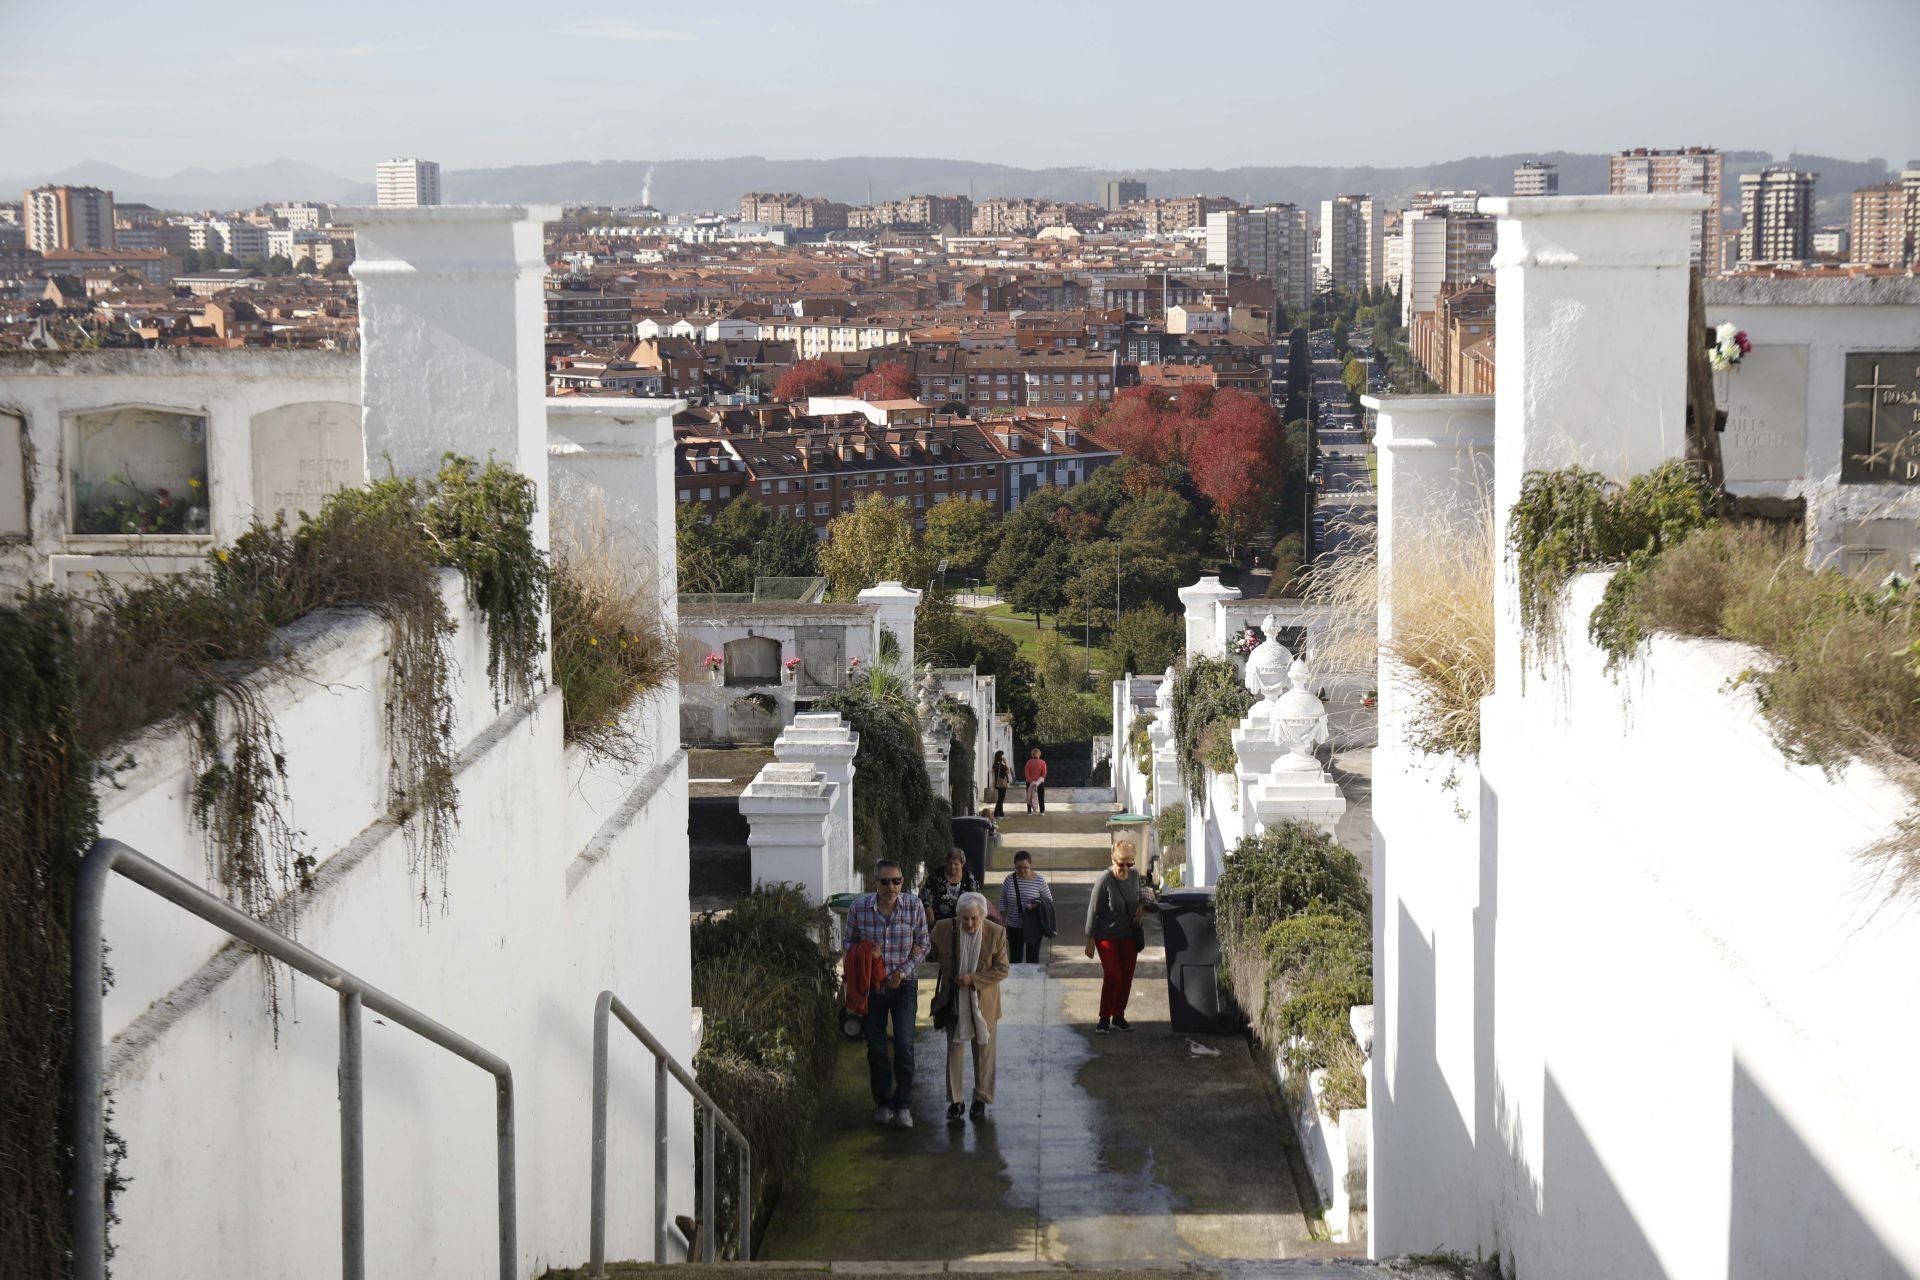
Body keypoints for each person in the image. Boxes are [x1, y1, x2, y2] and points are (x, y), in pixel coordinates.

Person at [845, 857, 931, 1127]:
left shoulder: (913, 906)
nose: (891, 887)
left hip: (904, 985)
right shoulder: (859, 909)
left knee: (904, 1045)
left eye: (896, 881)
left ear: (902, 882)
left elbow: (923, 945)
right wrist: (866, 952)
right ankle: (883, 1102)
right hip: (873, 989)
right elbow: (848, 946)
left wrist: (901, 973)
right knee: (877, 1048)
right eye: (885, 881)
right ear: (875, 883)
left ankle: (903, 1105)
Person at [929, 891, 1009, 1122]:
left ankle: (980, 1099)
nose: (970, 923)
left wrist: (973, 979)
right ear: (958, 916)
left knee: (984, 1052)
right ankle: (956, 1101)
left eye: (974, 918)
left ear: (983, 916)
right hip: (954, 1001)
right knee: (954, 1050)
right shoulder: (943, 929)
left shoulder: (996, 933)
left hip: (984, 1003)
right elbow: (930, 951)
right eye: (965, 918)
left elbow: (1002, 969)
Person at [1083, 837, 1153, 1034]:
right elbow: (1093, 911)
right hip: (1106, 935)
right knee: (1113, 975)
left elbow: (1142, 896)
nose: (1124, 867)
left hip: (1129, 934)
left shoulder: (1135, 875)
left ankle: (1118, 1016)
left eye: (1129, 862)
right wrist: (1089, 940)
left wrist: (1142, 906)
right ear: (1113, 858)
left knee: (1127, 977)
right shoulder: (1105, 880)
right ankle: (1104, 1017)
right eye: (1120, 862)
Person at [998, 850, 1055, 965]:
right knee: (1015, 960)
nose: (1022, 871)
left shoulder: (1039, 881)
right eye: (1018, 868)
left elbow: (1049, 902)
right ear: (1014, 866)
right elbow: (1003, 902)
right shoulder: (1009, 880)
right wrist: (1003, 923)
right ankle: (1016, 982)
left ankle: (1032, 982)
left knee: (1032, 960)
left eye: (1025, 867)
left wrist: (1034, 905)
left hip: (1033, 926)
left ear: (1030, 865)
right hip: (1014, 926)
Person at [919, 847, 978, 924]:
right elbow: (923, 895)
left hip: (963, 922)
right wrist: (927, 908)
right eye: (950, 863)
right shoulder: (937, 875)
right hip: (940, 922)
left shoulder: (970, 879)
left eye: (956, 864)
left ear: (962, 864)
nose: (952, 867)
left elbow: (977, 900)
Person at [1024, 747, 1048, 814]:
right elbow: (1044, 773)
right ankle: (1042, 811)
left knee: (1029, 796)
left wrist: (1031, 781)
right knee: (1041, 796)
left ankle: (1029, 811)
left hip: (1030, 783)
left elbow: (1026, 773)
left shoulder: (1028, 762)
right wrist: (1037, 782)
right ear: (1039, 754)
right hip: (1040, 782)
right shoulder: (1043, 762)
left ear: (1032, 754)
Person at [990, 750, 1012, 818]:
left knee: (1000, 798)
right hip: (1002, 783)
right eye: (1003, 755)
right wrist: (1005, 762)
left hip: (997, 783)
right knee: (1001, 799)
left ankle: (1000, 813)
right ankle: (996, 813)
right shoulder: (1002, 765)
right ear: (1001, 756)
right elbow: (1008, 771)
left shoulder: (995, 764)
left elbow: (992, 771)